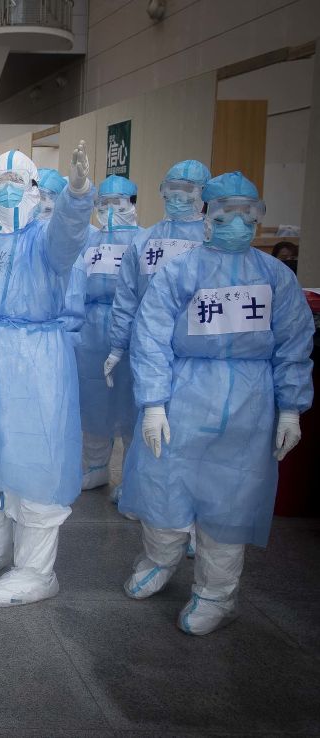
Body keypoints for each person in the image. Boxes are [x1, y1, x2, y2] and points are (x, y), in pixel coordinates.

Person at [119, 171, 312, 635]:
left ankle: (216, 594)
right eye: (229, 211)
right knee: (164, 482)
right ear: (209, 214)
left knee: (230, 500)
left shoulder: (276, 277)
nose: (240, 222)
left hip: (250, 400)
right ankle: (160, 559)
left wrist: (291, 407)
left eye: (251, 212)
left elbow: (293, 344)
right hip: (186, 392)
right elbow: (151, 338)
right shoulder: (180, 272)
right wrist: (154, 402)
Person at [0, 143, 94, 607]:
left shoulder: (45, 241)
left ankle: (35, 570)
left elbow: (70, 231)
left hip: (38, 360)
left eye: (16, 183)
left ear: (32, 188)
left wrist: (78, 192)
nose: (7, 191)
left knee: (35, 459)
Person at [107, 160, 211, 512]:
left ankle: (192, 512)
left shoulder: (212, 241)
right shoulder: (144, 240)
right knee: (145, 425)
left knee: (193, 433)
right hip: (149, 348)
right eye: (172, 189)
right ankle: (143, 496)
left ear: (203, 195)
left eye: (188, 190)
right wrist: (118, 344)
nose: (179, 197)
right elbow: (127, 298)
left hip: (199, 354)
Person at [71, 175, 141, 491]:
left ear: (133, 204)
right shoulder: (88, 240)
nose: (110, 209)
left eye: (118, 203)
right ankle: (97, 465)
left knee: (130, 403)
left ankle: (129, 479)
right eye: (104, 203)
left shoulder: (143, 242)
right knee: (93, 399)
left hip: (133, 327)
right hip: (89, 329)